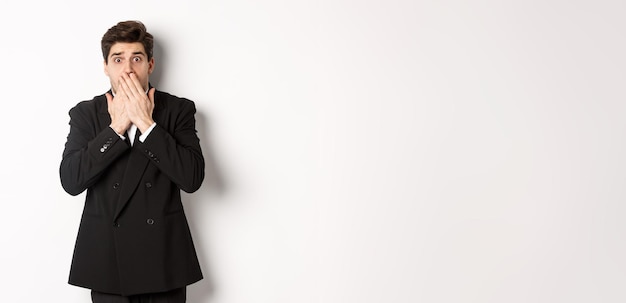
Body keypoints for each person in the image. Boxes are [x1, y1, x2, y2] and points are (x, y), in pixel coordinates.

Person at [59, 20, 205, 303]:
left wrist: (147, 125)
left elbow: (192, 178)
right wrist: (116, 129)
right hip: (107, 263)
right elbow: (71, 181)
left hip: (164, 262)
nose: (127, 68)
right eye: (118, 59)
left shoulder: (178, 110)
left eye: (136, 58)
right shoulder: (86, 114)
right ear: (106, 66)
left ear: (150, 65)